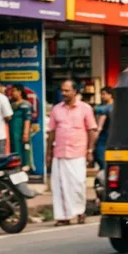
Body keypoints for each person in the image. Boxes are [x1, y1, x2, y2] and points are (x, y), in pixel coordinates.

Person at [46, 79, 97, 225]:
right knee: (60, 186)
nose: (64, 93)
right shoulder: (56, 109)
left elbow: (92, 130)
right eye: (62, 90)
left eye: (67, 90)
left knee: (78, 184)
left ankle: (80, 212)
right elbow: (51, 132)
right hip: (60, 152)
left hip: (78, 152)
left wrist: (90, 150)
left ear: (75, 91)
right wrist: (48, 153)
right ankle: (64, 216)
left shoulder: (85, 108)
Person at [7, 85, 33, 169]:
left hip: (20, 130)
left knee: (22, 148)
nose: (13, 93)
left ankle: (23, 165)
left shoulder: (25, 104)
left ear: (20, 92)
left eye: (15, 91)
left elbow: (27, 119)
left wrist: (25, 133)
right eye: (12, 91)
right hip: (11, 131)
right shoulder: (11, 104)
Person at [94, 86, 113, 169]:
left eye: (104, 94)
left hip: (107, 136)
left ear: (110, 95)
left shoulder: (107, 108)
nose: (102, 96)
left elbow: (99, 126)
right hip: (103, 136)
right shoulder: (101, 107)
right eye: (101, 94)